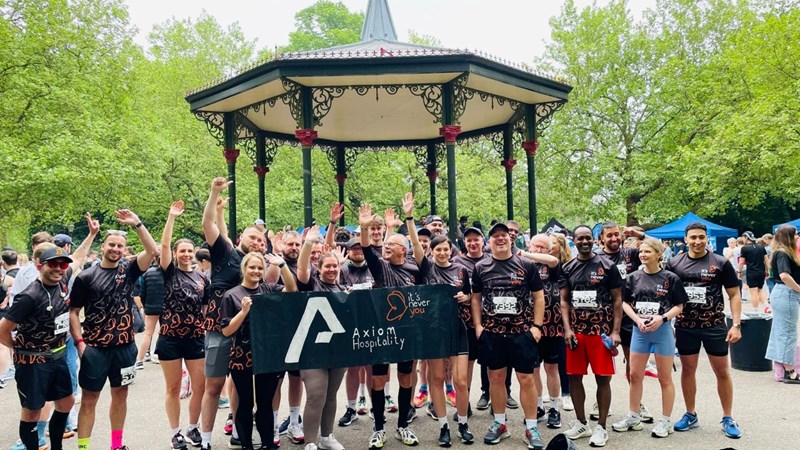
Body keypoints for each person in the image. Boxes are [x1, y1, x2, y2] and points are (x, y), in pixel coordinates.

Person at [69, 209, 158, 450]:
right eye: (111, 245)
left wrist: (137, 223)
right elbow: (74, 312)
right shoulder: (86, 277)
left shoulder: (128, 270)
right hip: (95, 349)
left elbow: (152, 251)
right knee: (89, 399)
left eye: (120, 246)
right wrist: (80, 344)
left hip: (125, 348)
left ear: (125, 249)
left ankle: (116, 444)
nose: (115, 249)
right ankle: (83, 447)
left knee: (120, 395)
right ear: (103, 246)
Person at [200, 177, 266, 450]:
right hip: (220, 328)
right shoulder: (225, 252)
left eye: (261, 240)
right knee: (214, 385)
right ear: (241, 238)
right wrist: (214, 191)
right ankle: (205, 438)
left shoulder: (258, 264)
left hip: (247, 333)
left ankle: (240, 431)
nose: (257, 242)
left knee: (240, 386)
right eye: (253, 237)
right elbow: (208, 224)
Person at [404, 193, 473, 446]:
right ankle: (443, 426)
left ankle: (463, 423)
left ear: (451, 251)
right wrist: (409, 217)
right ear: (431, 251)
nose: (442, 252)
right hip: (433, 330)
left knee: (461, 381)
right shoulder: (426, 267)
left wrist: (466, 298)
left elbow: (470, 295)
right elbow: (415, 242)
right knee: (435, 379)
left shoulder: (461, 270)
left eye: (446, 249)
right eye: (438, 249)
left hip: (458, 328)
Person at [470, 222, 546, 449]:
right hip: (492, 333)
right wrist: (478, 326)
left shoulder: (526, 265)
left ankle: (531, 427)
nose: (500, 239)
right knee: (495, 378)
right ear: (489, 241)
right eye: (495, 236)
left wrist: (537, 326)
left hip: (522, 332)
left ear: (511, 238)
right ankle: (500, 423)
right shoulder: (481, 267)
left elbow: (539, 296)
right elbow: (476, 298)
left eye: (504, 235)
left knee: (526, 379)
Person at [665, 222, 743, 439]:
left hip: (714, 326)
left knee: (722, 371)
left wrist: (736, 324)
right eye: (693, 237)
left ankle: (728, 417)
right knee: (688, 370)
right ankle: (690, 414)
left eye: (701, 237)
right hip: (685, 326)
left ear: (707, 238)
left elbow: (734, 294)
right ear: (685, 239)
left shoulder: (720, 262)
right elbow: (666, 294)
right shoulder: (674, 263)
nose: (697, 241)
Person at [0, 246, 80, 450]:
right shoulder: (29, 296)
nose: (58, 268)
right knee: (32, 411)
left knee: (66, 402)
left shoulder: (61, 281)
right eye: (53, 264)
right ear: (39, 266)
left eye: (62, 264)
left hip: (58, 357)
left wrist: (91, 235)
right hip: (33, 363)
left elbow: (78, 257)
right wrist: (19, 349)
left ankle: (57, 447)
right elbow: (3, 330)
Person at [359, 203, 422, 448]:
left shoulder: (415, 268)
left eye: (391, 244)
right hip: (382, 333)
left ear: (403, 250)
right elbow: (366, 249)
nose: (385, 246)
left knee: (406, 378)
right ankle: (378, 428)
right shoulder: (381, 267)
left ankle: (403, 426)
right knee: (378, 380)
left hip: (408, 332)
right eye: (385, 244)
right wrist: (364, 227)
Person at [612, 238, 686, 438]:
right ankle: (633, 416)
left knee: (664, 378)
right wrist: (636, 319)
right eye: (641, 252)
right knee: (635, 375)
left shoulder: (670, 278)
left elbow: (679, 306)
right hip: (640, 332)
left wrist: (662, 318)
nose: (643, 255)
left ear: (658, 254)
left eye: (647, 252)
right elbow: (625, 303)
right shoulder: (632, 277)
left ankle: (666, 421)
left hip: (662, 332)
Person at [221, 252, 295, 450]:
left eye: (260, 268)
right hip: (241, 355)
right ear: (244, 269)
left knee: (265, 403)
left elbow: (292, 290)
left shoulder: (269, 289)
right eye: (252, 267)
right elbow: (227, 330)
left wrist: (282, 266)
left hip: (266, 355)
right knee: (245, 403)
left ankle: (268, 444)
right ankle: (246, 445)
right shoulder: (231, 294)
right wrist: (243, 312)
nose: (256, 271)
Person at [559, 225, 623, 448]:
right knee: (574, 378)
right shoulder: (567, 267)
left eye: (588, 238)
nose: (584, 242)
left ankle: (601, 427)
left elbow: (617, 300)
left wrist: (615, 331)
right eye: (580, 239)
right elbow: (564, 301)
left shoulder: (607, 266)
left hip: (601, 332)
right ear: (574, 241)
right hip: (576, 333)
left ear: (594, 240)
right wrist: (567, 329)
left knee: (602, 379)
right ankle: (581, 423)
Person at [157, 201, 212, 449]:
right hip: (170, 337)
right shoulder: (169, 272)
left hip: (195, 338)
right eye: (182, 251)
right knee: (173, 387)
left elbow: (205, 309)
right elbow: (164, 245)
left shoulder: (202, 278)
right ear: (176, 253)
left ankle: (192, 427)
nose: (187, 254)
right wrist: (172, 217)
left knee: (200, 386)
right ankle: (175, 432)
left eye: (190, 251)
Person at [595, 221, 653, 424]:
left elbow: (658, 248)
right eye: (609, 235)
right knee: (602, 365)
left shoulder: (630, 254)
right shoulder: (596, 257)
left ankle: (637, 404)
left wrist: (639, 234)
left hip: (630, 315)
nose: (613, 238)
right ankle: (600, 403)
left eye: (616, 234)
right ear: (601, 238)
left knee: (633, 364)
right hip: (604, 316)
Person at [296, 227, 348, 450]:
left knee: (331, 395)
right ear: (319, 268)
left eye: (335, 266)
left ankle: (327, 437)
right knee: (316, 395)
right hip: (312, 350)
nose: (332, 269)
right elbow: (301, 269)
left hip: (338, 350)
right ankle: (310, 442)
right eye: (328, 266)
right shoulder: (312, 284)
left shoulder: (343, 288)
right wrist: (308, 243)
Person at [528, 234, 564, 429]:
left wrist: (524, 254)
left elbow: (552, 260)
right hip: (530, 326)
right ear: (530, 245)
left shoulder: (552, 265)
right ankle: (539, 405)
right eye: (536, 246)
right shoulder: (523, 266)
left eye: (543, 247)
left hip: (553, 327)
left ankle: (554, 408)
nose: (538, 250)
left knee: (552, 368)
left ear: (549, 249)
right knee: (533, 368)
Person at [764, 225, 800, 383]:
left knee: (780, 331)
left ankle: (781, 369)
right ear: (789, 237)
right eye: (796, 234)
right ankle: (789, 371)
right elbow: (784, 275)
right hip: (787, 293)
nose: (798, 237)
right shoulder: (783, 253)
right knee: (788, 332)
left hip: (782, 293)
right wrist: (799, 289)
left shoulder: (779, 252)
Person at [549, 233, 574, 412]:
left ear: (561, 245)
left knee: (563, 359)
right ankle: (554, 392)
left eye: (552, 243)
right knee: (549, 362)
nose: (549, 246)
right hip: (547, 319)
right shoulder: (541, 264)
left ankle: (567, 393)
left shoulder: (567, 266)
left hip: (563, 317)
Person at [739, 231, 769, 311]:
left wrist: (739, 272)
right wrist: (767, 270)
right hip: (761, 271)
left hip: (751, 272)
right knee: (760, 290)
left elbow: (741, 262)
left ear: (746, 238)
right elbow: (766, 259)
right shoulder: (761, 247)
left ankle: (755, 310)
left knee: (753, 292)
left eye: (743, 238)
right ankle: (766, 305)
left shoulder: (744, 248)